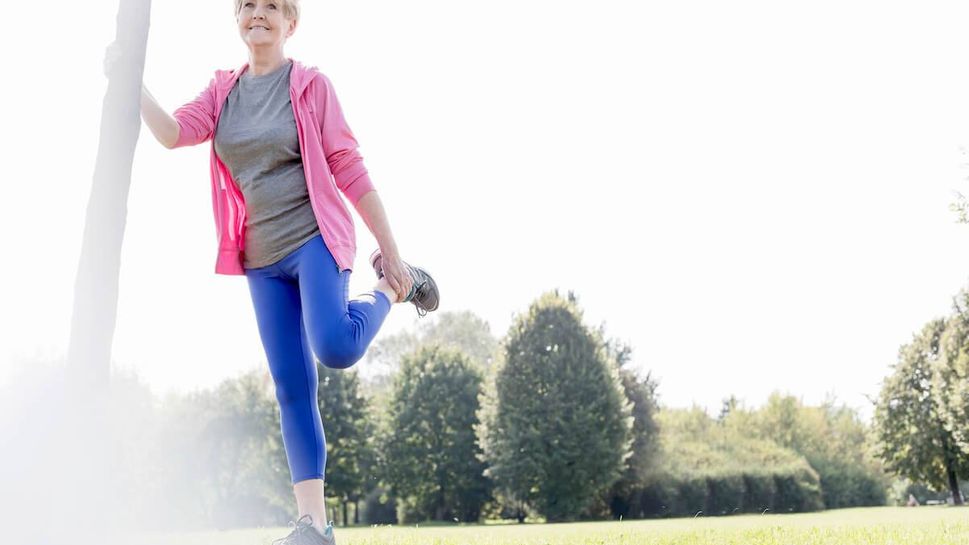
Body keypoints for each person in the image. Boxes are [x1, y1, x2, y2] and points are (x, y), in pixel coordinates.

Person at [136, 1, 439, 543]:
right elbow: (172, 133)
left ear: (290, 23)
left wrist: (390, 250)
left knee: (337, 348)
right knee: (292, 388)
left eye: (272, 6)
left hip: (314, 241)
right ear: (237, 19)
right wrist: (130, 79)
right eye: (248, 5)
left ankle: (393, 288)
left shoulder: (310, 85)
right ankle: (314, 526)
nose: (259, 13)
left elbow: (348, 164)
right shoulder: (221, 92)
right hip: (260, 259)